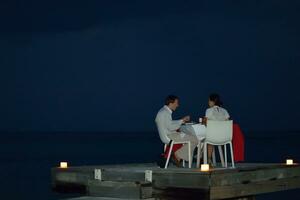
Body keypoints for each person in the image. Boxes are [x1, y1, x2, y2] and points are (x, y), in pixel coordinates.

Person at [155, 95, 198, 166]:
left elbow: (169, 123)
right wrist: (181, 121)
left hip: (166, 135)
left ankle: (178, 156)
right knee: (195, 139)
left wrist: (181, 120)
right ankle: (178, 155)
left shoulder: (162, 111)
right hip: (171, 135)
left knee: (189, 137)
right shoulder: (166, 113)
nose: (178, 105)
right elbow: (171, 127)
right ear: (171, 103)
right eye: (176, 103)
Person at [205, 93, 230, 165]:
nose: (208, 102)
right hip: (225, 137)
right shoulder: (225, 111)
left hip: (212, 138)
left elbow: (206, 124)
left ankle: (207, 158)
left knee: (206, 139)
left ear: (213, 102)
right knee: (209, 137)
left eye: (209, 101)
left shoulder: (208, 110)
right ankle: (202, 156)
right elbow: (227, 123)